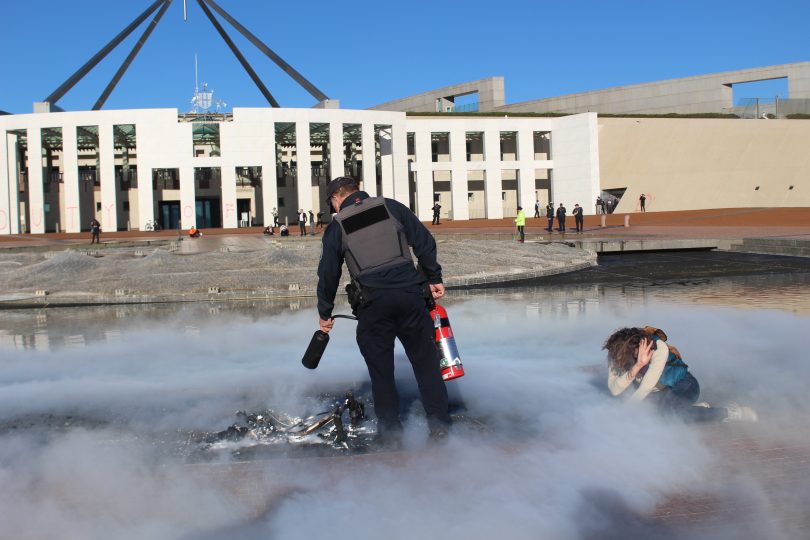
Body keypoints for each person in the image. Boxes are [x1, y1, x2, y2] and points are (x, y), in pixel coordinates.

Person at [316, 177, 452, 445]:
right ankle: (439, 429)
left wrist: (325, 312)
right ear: (358, 191)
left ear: (335, 199)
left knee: (381, 372)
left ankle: (391, 435)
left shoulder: (338, 226)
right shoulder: (391, 207)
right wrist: (434, 277)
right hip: (411, 297)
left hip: (373, 305)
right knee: (426, 366)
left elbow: (328, 273)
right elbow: (424, 242)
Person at [604, 326, 757, 423]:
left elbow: (645, 387)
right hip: (658, 396)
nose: (627, 360)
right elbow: (615, 389)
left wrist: (622, 417)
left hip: (683, 385)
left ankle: (730, 412)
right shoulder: (617, 354)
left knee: (670, 414)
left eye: (633, 356)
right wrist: (637, 366)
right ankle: (693, 408)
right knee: (650, 416)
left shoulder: (658, 348)